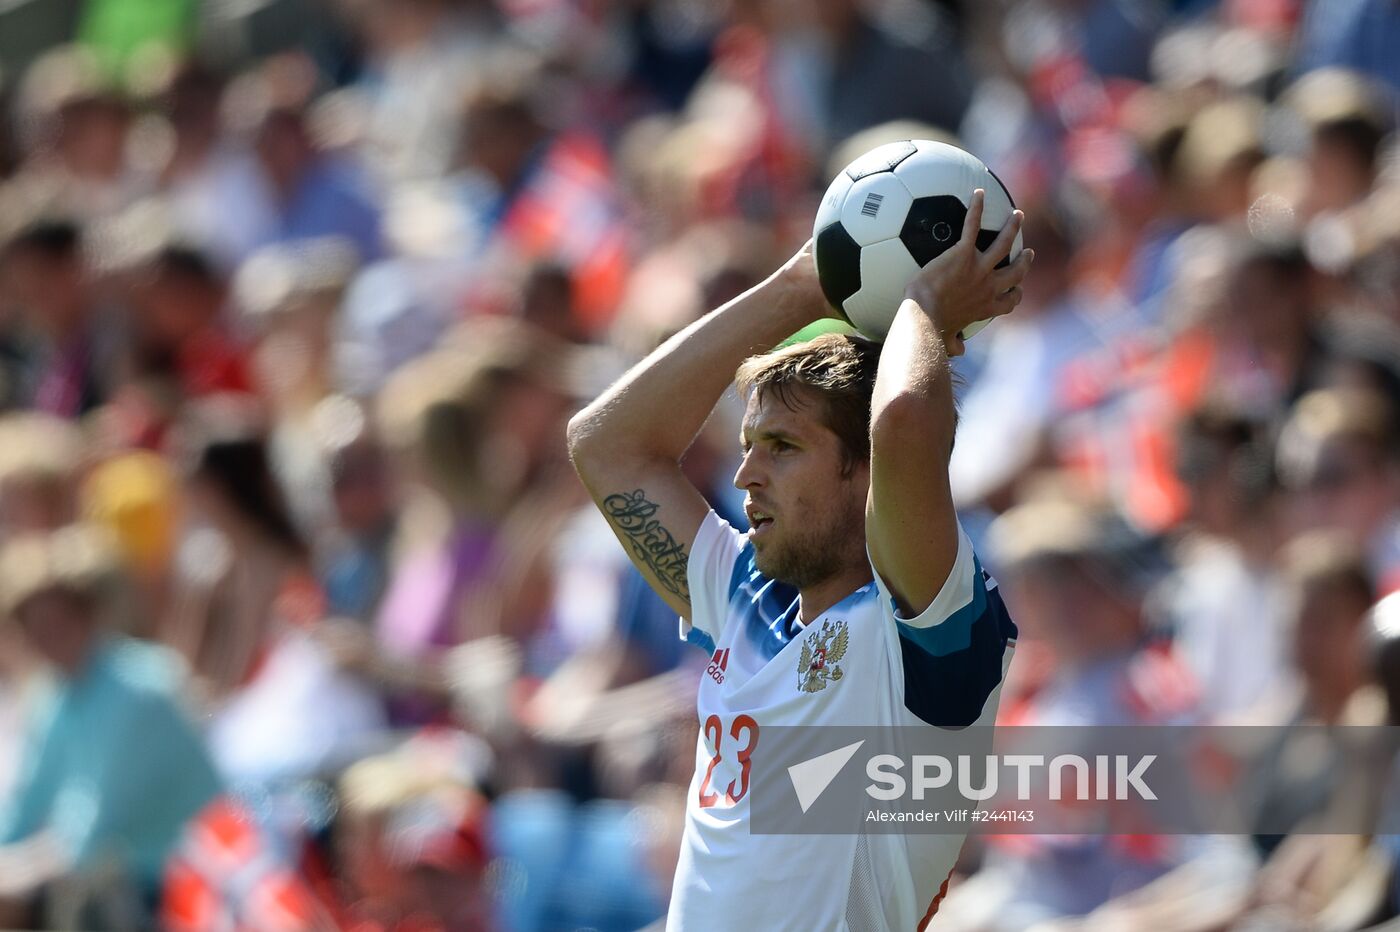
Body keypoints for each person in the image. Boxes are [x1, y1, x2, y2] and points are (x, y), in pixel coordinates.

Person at [567, 190, 1031, 930]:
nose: (746, 475)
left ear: (868, 472)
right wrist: (801, 285)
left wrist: (923, 308)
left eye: (782, 448)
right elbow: (605, 445)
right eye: (749, 446)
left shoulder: (928, 630)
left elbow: (904, 421)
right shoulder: (743, 597)